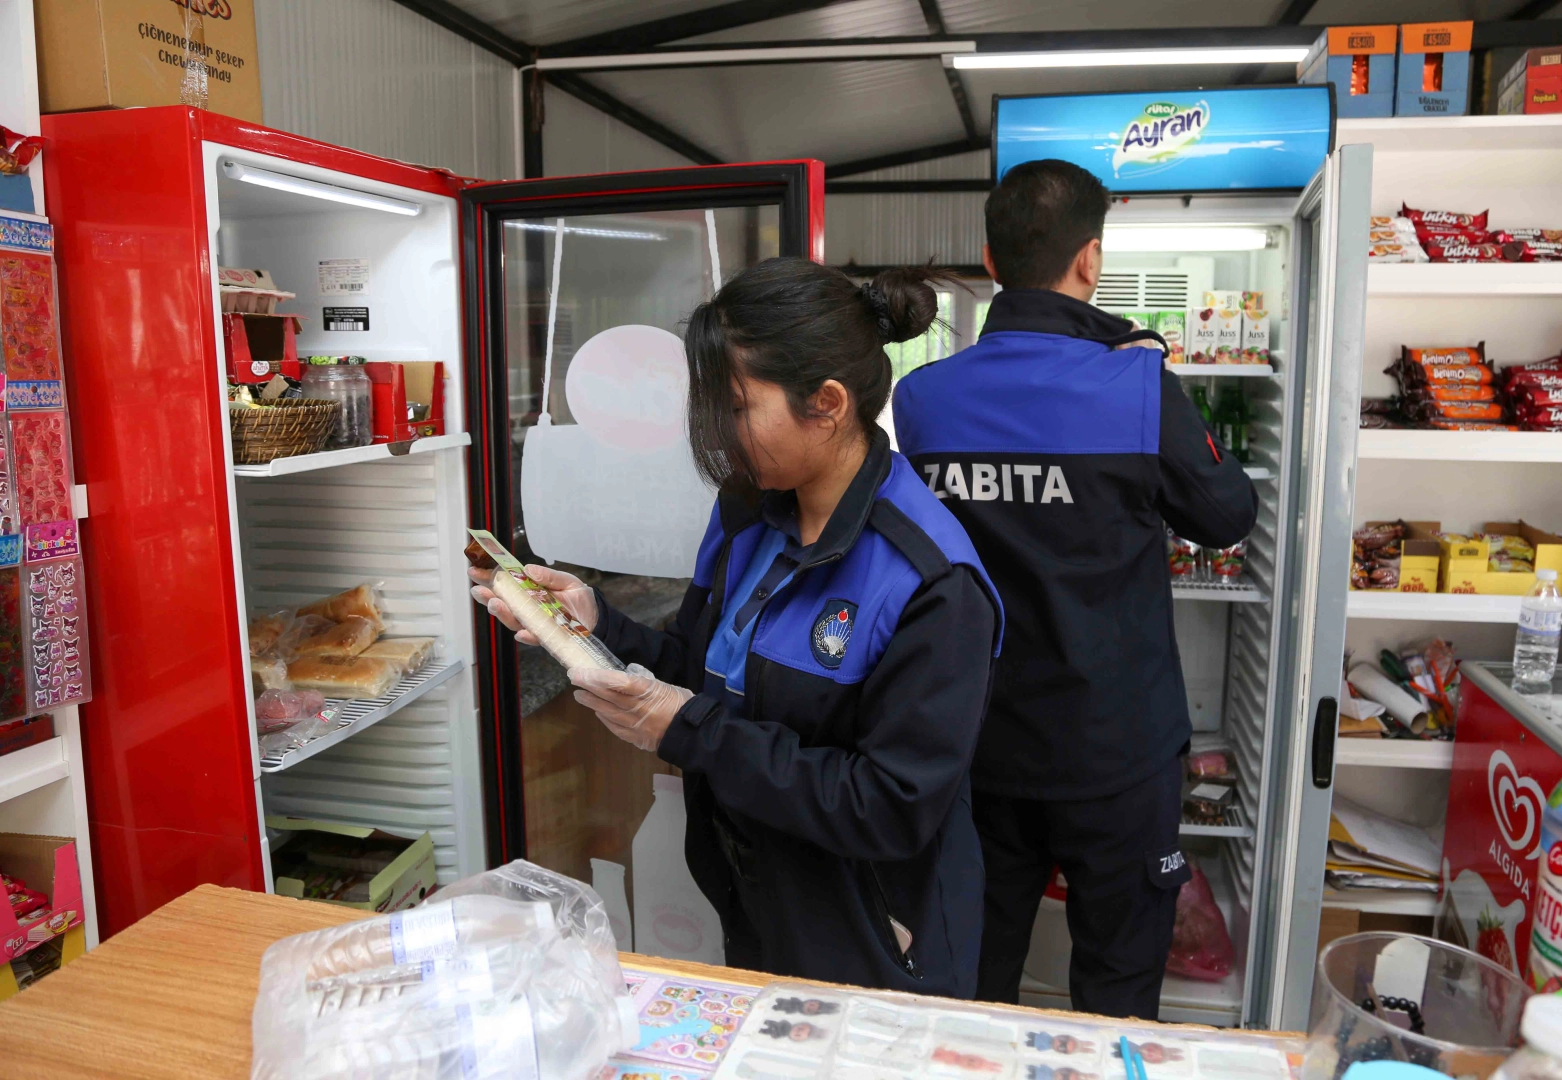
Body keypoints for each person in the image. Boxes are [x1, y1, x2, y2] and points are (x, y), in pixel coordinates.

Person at [470, 258, 1003, 999]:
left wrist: (687, 730)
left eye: (737, 407)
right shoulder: (750, 513)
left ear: (827, 403)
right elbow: (703, 666)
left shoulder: (931, 582)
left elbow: (889, 807)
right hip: (756, 894)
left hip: (877, 938)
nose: (718, 431)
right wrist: (599, 625)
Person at [891, 160, 1258, 1019]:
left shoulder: (923, 399)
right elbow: (1226, 514)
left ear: (991, 259)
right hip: (1117, 751)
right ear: (1090, 260)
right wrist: (1152, 380)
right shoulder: (1134, 384)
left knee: (976, 981)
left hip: (979, 744)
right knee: (1118, 989)